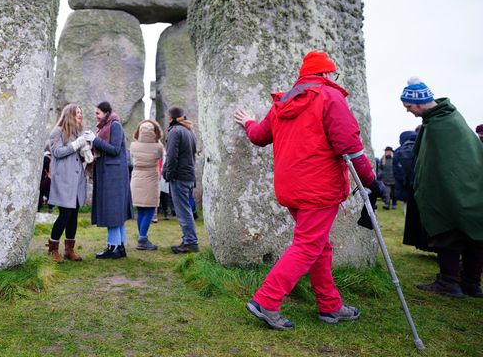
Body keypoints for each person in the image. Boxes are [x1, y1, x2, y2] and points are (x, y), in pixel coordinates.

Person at [233, 51, 386, 329]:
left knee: (319, 246)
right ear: (327, 74)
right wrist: (371, 181)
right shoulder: (330, 97)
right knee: (307, 246)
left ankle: (330, 306)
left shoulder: (283, 103)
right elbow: (350, 146)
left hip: (290, 187)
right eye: (333, 74)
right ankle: (266, 301)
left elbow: (259, 136)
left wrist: (248, 122)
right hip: (319, 188)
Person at [400, 77, 483, 298]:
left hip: (453, 192)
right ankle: (471, 283)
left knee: (448, 233)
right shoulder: (449, 117)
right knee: (473, 235)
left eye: (409, 107)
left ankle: (450, 283)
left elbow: (437, 165)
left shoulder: (439, 124)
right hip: (470, 191)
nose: (409, 112)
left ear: (419, 103)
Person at [90, 101, 133, 259]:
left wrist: (95, 140)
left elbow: (115, 149)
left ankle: (113, 247)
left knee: (113, 210)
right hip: (110, 172)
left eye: (98, 113)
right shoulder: (105, 126)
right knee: (115, 210)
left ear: (106, 113)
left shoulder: (114, 125)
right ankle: (119, 246)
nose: (96, 116)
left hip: (113, 174)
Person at [46, 104, 88, 263]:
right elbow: (57, 152)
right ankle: (53, 249)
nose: (80, 115)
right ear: (69, 114)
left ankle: (69, 250)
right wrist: (75, 145)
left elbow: (75, 157)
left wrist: (86, 153)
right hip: (64, 180)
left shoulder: (77, 132)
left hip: (76, 181)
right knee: (65, 214)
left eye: (81, 113)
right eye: (78, 113)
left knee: (74, 215)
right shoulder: (58, 131)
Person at [163, 107, 199, 254]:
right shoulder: (190, 131)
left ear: (171, 118)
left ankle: (190, 242)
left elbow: (171, 156)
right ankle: (188, 240)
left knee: (183, 211)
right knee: (187, 210)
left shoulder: (175, 132)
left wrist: (168, 174)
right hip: (189, 175)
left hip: (179, 177)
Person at [392, 130, 431, 251]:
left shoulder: (404, 148)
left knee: (412, 213)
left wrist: (404, 180)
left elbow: (401, 169)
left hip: (409, 185)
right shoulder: (418, 145)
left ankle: (420, 239)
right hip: (418, 184)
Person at [129, 120, 165, 250]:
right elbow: (162, 157)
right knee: (150, 209)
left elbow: (131, 157)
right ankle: (142, 238)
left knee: (141, 210)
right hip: (151, 179)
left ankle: (142, 237)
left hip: (136, 178)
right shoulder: (158, 147)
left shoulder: (133, 145)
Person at [38, 148, 53, 213]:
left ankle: (39, 208)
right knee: (49, 193)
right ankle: (50, 208)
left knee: (41, 193)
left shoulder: (44, 158)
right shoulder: (51, 159)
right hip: (50, 178)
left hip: (44, 178)